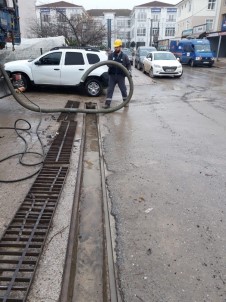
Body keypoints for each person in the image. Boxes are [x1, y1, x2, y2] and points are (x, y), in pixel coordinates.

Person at [102, 39, 132, 109]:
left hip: (121, 76)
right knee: (110, 90)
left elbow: (128, 65)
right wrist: (112, 64)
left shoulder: (124, 56)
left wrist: (129, 71)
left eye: (117, 47)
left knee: (123, 89)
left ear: (120, 47)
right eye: (115, 47)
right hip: (112, 76)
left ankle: (125, 102)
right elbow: (108, 64)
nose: (116, 48)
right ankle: (107, 104)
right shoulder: (111, 55)